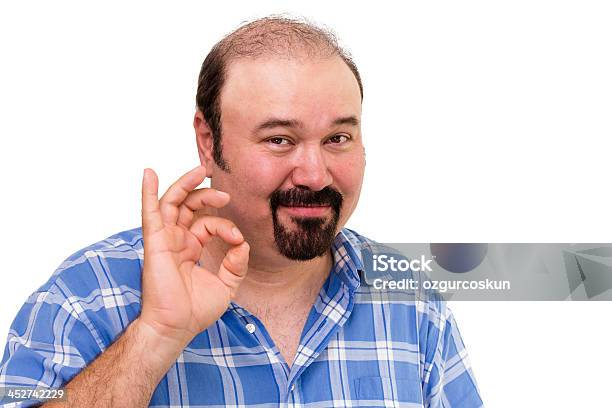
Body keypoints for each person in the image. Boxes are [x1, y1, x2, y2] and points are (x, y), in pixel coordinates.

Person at [0, 16, 483, 407]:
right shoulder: (86, 297)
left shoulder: (412, 303)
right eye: (280, 140)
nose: (315, 174)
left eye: (337, 138)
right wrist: (153, 337)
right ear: (208, 143)